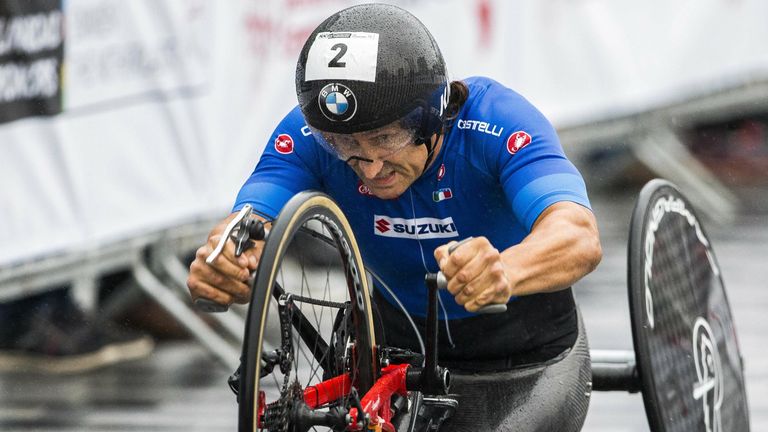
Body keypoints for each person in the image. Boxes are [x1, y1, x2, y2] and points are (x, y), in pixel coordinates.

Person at [187, 3, 602, 431]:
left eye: (385, 138)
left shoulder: (498, 121)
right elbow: (250, 221)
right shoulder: (309, 135)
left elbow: (578, 234)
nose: (369, 167)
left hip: (526, 353)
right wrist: (225, 262)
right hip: (396, 351)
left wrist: (506, 270)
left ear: (430, 117)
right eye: (345, 144)